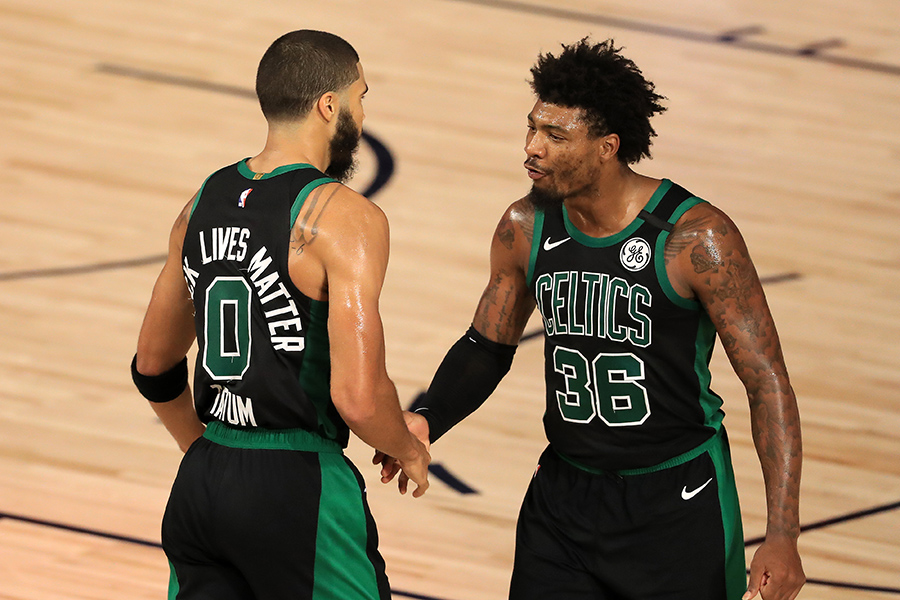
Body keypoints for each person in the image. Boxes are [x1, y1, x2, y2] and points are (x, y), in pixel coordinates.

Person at [389, 38, 805, 599]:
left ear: (608, 146)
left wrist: (782, 533)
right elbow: (486, 347)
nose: (532, 149)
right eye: (532, 128)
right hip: (564, 501)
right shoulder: (526, 225)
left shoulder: (695, 239)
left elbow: (767, 381)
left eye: (555, 136)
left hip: (676, 502)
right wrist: (427, 417)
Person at [131, 29, 430, 600]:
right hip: (298, 484)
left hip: (201, 484)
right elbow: (359, 397)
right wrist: (409, 447)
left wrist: (202, 450)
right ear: (329, 105)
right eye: (360, 97)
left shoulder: (200, 203)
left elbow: (153, 364)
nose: (362, 116)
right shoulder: (343, 217)